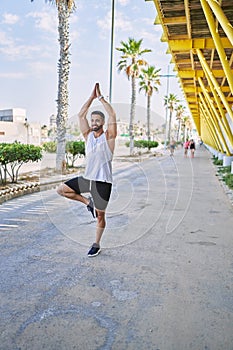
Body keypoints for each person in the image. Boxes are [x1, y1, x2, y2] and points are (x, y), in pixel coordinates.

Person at [57, 83, 117, 257]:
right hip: (88, 179)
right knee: (62, 189)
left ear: (103, 123)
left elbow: (112, 114)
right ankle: (88, 203)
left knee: (100, 216)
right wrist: (91, 97)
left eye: (97, 120)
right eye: (92, 120)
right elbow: (81, 114)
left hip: (103, 182)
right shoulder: (88, 136)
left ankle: (96, 244)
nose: (94, 123)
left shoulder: (109, 137)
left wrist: (100, 98)